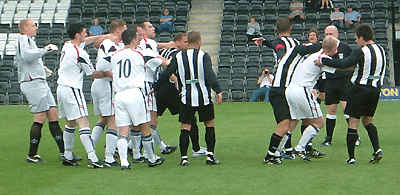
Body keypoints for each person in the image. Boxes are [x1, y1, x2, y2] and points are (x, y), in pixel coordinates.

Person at [316, 24, 385, 164]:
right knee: (368, 121)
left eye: (356, 38)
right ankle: (377, 149)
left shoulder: (361, 51)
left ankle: (351, 158)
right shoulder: (381, 49)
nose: (356, 41)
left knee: (353, 122)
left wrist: (323, 61)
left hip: (360, 89)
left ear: (361, 37)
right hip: (375, 90)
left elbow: (343, 64)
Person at [156, 31, 223, 166]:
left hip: (186, 96)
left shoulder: (179, 56)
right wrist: (218, 90)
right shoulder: (203, 55)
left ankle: (184, 158)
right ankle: (210, 155)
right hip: (203, 96)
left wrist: (155, 86)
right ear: (198, 42)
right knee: (209, 125)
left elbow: (167, 73)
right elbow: (209, 74)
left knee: (185, 128)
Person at [105, 29, 167, 169]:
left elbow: (101, 65)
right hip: (135, 93)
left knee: (123, 129)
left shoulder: (114, 55)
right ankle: (151, 158)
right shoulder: (140, 53)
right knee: (144, 125)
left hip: (119, 94)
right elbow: (160, 63)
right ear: (133, 40)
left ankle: (124, 162)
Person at [15, 18, 68, 163]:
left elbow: (21, 59)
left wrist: (40, 68)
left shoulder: (28, 41)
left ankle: (65, 152)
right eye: (33, 25)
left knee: (53, 113)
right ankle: (32, 155)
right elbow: (26, 56)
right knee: (40, 117)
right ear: (25, 28)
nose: (36, 28)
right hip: (32, 83)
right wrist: (44, 50)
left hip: (39, 81)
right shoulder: (23, 38)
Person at [262, 41, 322, 164]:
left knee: (293, 122)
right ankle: (269, 156)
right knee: (284, 126)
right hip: (280, 91)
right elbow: (312, 48)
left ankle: (277, 153)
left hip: (285, 91)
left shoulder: (294, 57)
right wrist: (324, 45)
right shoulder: (296, 51)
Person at [58, 22, 108, 168]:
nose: (87, 34)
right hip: (72, 88)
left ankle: (67, 155)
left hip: (62, 87)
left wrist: (103, 36)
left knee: (70, 122)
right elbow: (92, 74)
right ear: (77, 35)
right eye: (84, 32)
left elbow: (85, 41)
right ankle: (92, 158)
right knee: (83, 123)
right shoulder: (80, 53)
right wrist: (109, 74)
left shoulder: (68, 45)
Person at [286, 36, 339, 161]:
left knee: (293, 122)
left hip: (291, 89)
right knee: (319, 122)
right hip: (303, 90)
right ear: (332, 49)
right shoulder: (323, 58)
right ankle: (300, 147)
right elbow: (340, 69)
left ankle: (276, 151)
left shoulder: (314, 54)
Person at [254, 18, 300, 159]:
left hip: (282, 86)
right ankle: (281, 151)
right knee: (290, 120)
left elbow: (277, 48)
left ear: (277, 30)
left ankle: (283, 150)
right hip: (292, 85)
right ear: (290, 28)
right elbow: (278, 48)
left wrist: (265, 42)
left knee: (288, 120)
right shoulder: (297, 43)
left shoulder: (278, 42)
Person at [158, 33, 208, 158]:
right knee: (190, 118)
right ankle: (195, 149)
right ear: (177, 43)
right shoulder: (178, 55)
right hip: (171, 91)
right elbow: (168, 69)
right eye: (185, 42)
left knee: (151, 120)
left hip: (161, 89)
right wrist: (175, 80)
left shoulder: (168, 52)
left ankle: (135, 147)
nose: (187, 44)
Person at [90, 19, 126, 168]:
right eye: (124, 29)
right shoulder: (109, 44)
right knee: (113, 120)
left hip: (99, 85)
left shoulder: (111, 43)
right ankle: (109, 157)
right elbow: (105, 66)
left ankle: (90, 149)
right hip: (106, 85)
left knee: (103, 119)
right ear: (118, 30)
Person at [139, 21, 178, 155]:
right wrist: (172, 71)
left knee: (146, 118)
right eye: (149, 27)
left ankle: (159, 146)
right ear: (143, 32)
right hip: (146, 83)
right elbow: (156, 58)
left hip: (148, 83)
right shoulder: (146, 43)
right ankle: (143, 152)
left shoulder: (147, 44)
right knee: (150, 118)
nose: (153, 28)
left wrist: (165, 45)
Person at [319, 25, 355, 147]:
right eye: (326, 34)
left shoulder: (345, 47)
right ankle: (328, 138)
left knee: (346, 108)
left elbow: (351, 63)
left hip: (345, 82)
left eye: (331, 34)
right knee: (331, 109)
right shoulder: (323, 48)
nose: (329, 36)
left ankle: (354, 135)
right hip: (331, 82)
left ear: (337, 34)